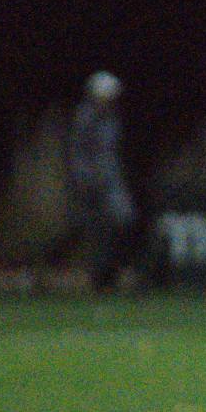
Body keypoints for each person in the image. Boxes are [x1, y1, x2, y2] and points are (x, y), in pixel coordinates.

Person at [65, 72, 143, 292]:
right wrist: (84, 179)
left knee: (123, 220)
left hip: (111, 179)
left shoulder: (112, 118)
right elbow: (78, 152)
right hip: (91, 182)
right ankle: (99, 275)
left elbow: (113, 150)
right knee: (93, 228)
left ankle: (113, 271)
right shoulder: (84, 117)